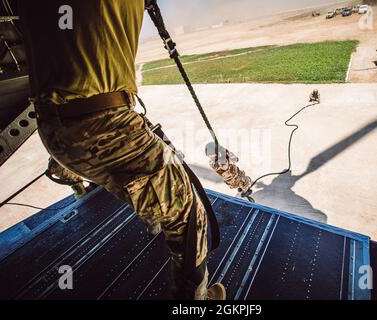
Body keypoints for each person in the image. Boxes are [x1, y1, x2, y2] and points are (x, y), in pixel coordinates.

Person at [18, 0, 225, 300]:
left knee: (131, 176)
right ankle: (196, 300)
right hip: (100, 120)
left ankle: (149, 218)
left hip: (52, 129)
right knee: (188, 210)